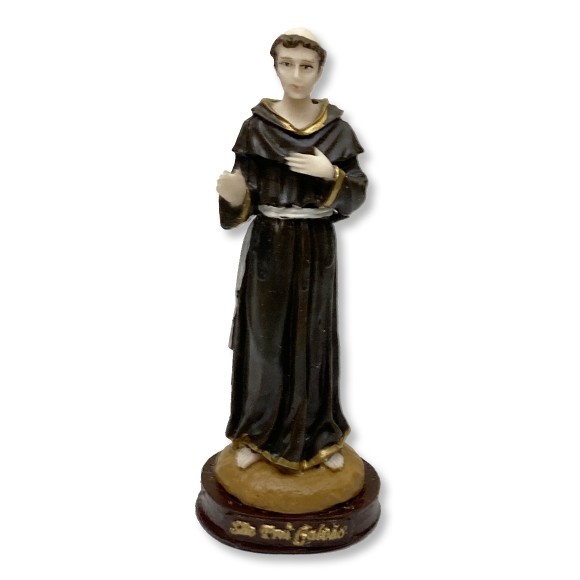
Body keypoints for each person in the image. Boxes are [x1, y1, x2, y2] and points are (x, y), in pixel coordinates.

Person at [217, 28, 367, 472]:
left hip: (316, 247)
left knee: (313, 339)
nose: (296, 75)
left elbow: (357, 194)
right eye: (287, 64)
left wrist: (332, 175)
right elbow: (242, 195)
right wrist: (234, 196)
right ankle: (257, 431)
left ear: (320, 70)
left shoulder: (337, 130)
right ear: (276, 66)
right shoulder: (256, 128)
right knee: (264, 340)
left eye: (306, 66)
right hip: (269, 245)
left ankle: (319, 434)